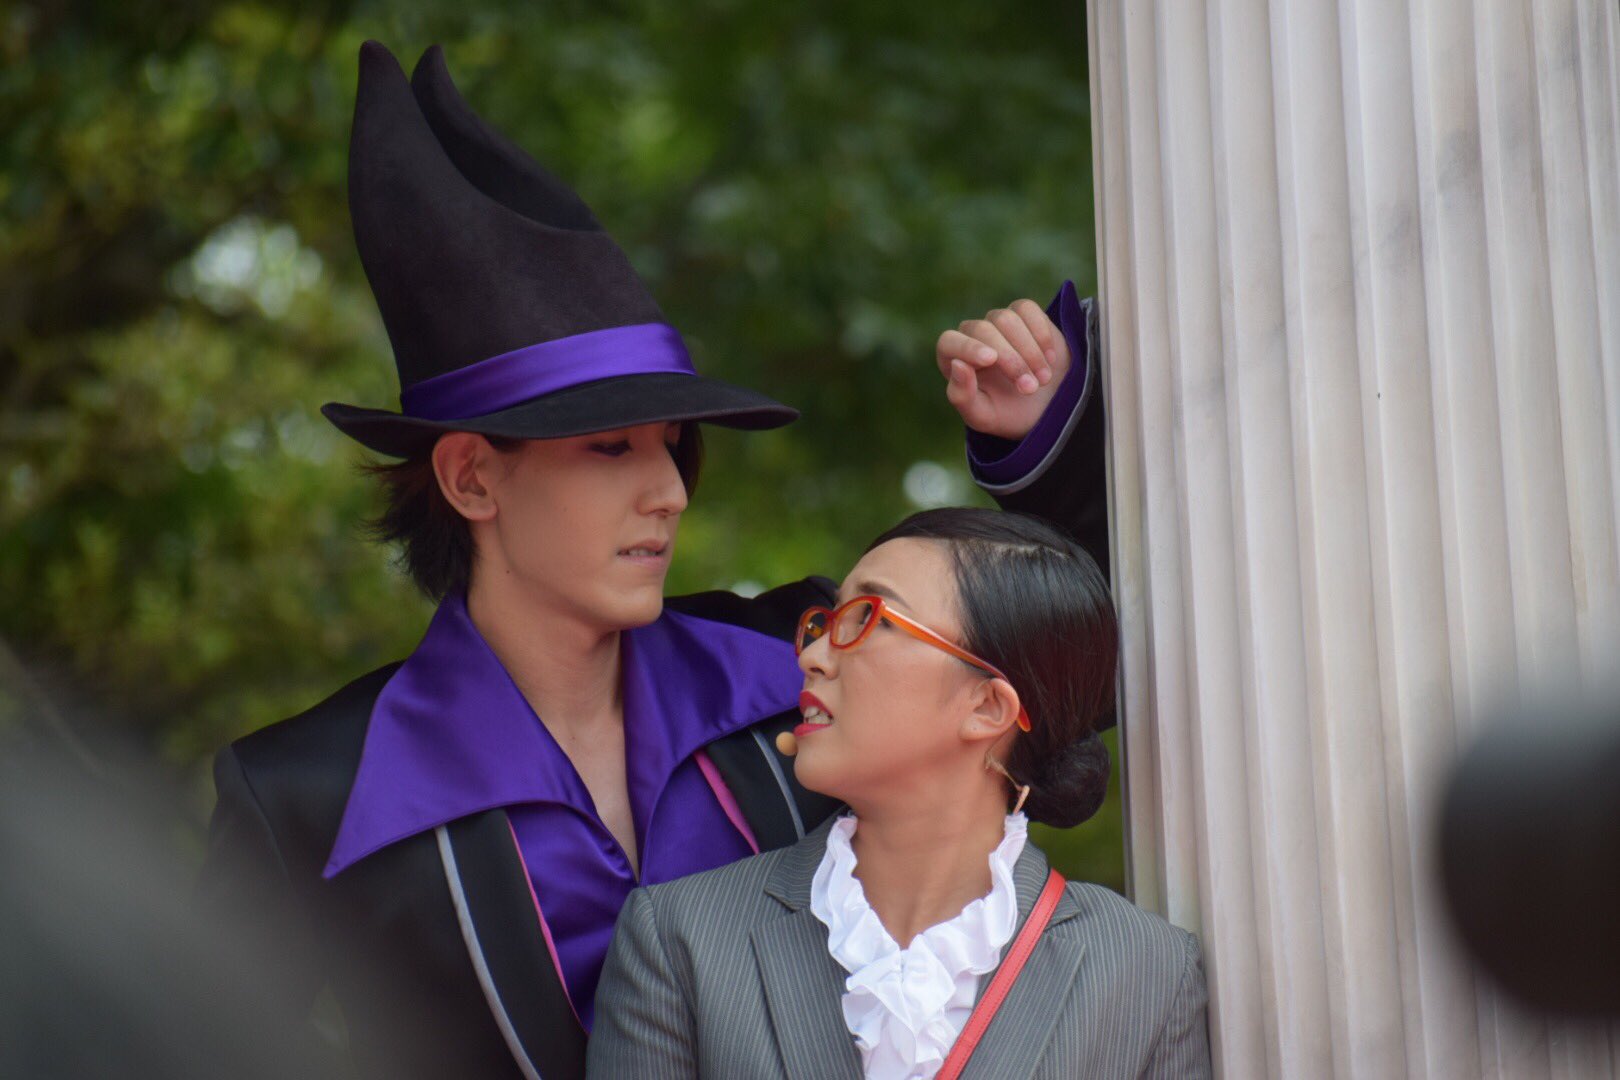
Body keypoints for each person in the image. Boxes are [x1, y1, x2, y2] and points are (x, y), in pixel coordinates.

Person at [197, 40, 1110, 1080]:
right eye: (609, 448)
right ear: (471, 478)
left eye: (672, 446)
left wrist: (1037, 456)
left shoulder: (803, 665)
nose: (670, 490)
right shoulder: (309, 794)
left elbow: (1076, 678)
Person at [588, 508, 1212, 1079]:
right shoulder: (680, 940)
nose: (812, 656)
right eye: (825, 621)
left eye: (867, 620)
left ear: (987, 706)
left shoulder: (1145, 974)